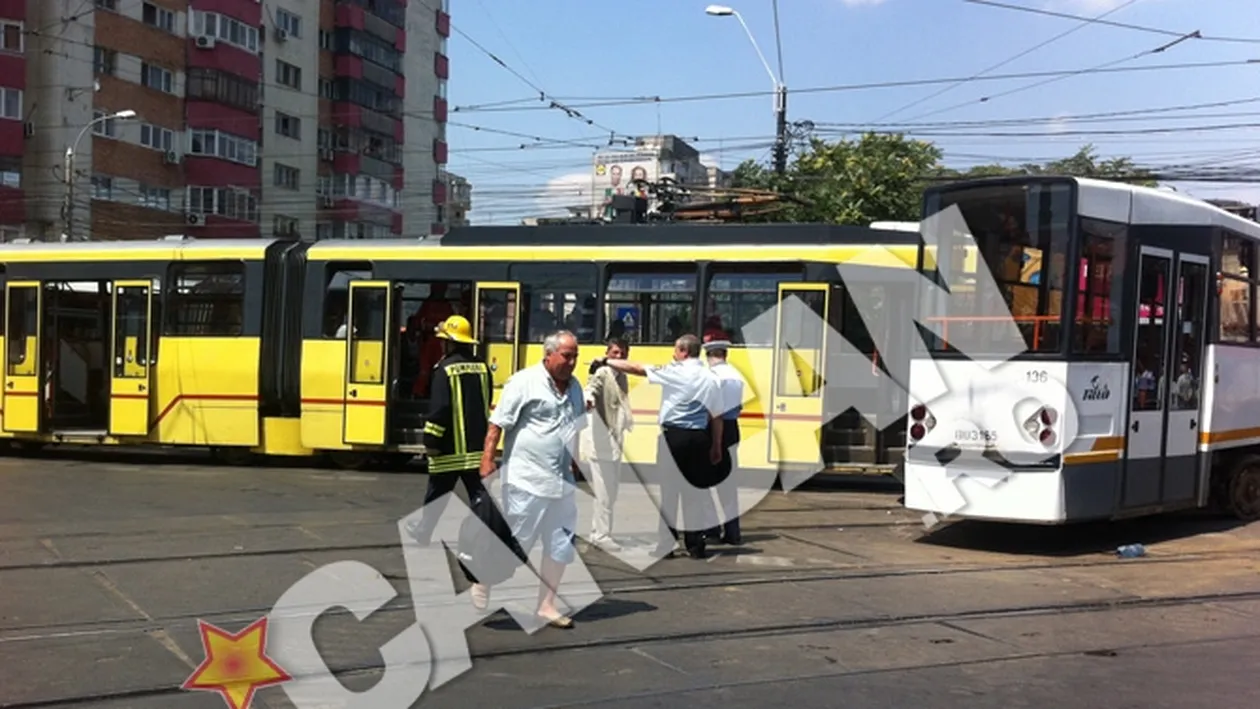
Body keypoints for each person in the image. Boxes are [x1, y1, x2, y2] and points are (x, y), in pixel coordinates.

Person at [480, 330, 587, 628]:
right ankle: (484, 578)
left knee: (560, 545)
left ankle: (546, 605)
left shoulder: (575, 388)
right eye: (567, 356)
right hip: (526, 480)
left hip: (562, 482)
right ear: (549, 355)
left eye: (575, 356)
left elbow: (577, 427)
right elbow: (497, 424)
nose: (572, 362)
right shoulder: (524, 382)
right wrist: (487, 459)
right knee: (517, 543)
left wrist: (576, 462)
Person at [596, 334, 723, 559]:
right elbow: (717, 416)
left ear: (683, 352)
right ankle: (695, 546)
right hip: (700, 438)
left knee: (669, 494)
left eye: (675, 350)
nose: (673, 354)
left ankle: (667, 545)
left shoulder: (674, 371)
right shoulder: (710, 377)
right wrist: (716, 446)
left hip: (673, 438)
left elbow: (637, 368)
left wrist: (606, 361)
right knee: (694, 493)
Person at [405, 315, 492, 547]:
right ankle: (485, 533)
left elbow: (440, 408)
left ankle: (423, 532)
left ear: (449, 343)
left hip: (448, 450)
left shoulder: (444, 369)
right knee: (479, 495)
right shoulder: (483, 367)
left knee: (437, 495)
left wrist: (430, 439)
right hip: (476, 448)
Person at [582, 336, 633, 552]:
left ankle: (600, 532)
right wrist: (589, 400)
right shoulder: (603, 373)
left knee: (611, 491)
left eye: (622, 354)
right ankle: (601, 535)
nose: (618, 357)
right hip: (600, 441)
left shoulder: (621, 376)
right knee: (604, 492)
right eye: (614, 353)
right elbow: (591, 387)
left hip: (614, 441)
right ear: (607, 354)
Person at [702, 333, 744, 545]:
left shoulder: (712, 377)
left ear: (709, 355)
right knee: (728, 483)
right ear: (725, 354)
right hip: (732, 429)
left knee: (704, 480)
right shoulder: (736, 375)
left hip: (713, 430)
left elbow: (711, 408)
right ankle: (733, 530)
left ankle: (711, 528)